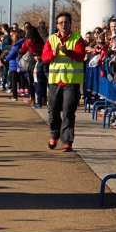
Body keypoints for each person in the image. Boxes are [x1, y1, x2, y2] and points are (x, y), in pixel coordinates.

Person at [41, 11, 86, 152]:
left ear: (70, 24)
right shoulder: (51, 39)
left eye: (66, 22)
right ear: (57, 25)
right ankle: (55, 134)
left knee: (68, 111)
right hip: (55, 81)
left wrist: (68, 52)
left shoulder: (78, 39)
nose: (64, 25)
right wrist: (53, 53)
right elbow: (44, 57)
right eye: (61, 23)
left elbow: (81, 56)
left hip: (71, 82)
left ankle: (67, 141)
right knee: (52, 111)